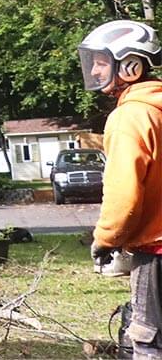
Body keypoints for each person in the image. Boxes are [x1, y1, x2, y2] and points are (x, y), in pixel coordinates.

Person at [81, 19, 162, 357]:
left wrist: (106, 239)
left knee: (148, 340)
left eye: (102, 62)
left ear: (130, 66)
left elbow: (124, 194)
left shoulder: (130, 116)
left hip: (156, 252)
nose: (94, 70)